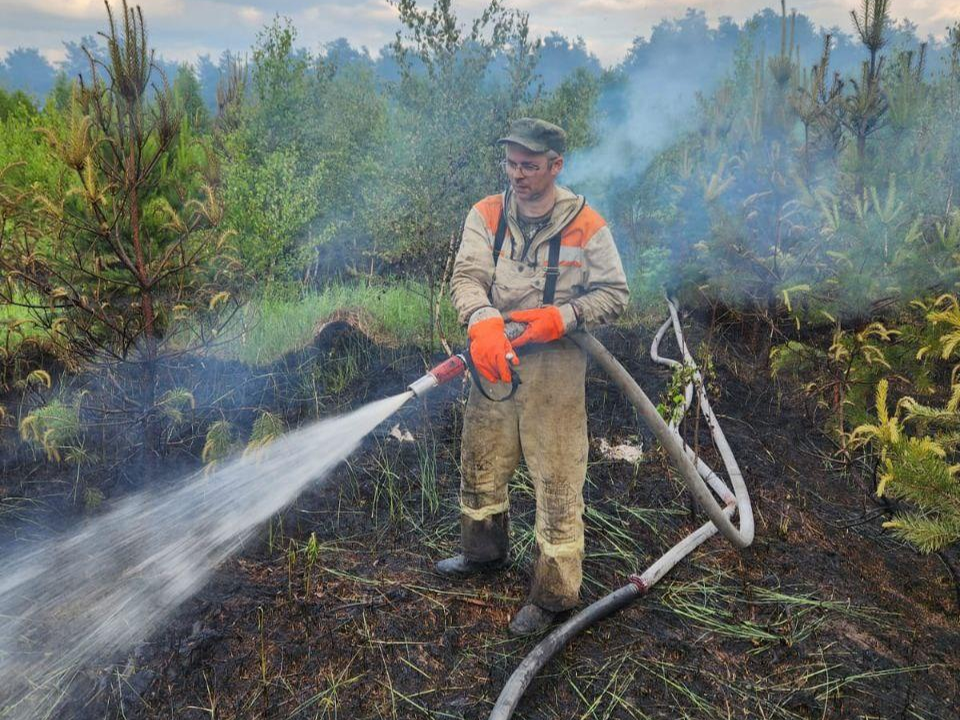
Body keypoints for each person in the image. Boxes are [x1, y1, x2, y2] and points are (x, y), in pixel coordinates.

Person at [438, 117, 630, 635]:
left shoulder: (586, 224)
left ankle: (553, 596)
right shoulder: (487, 214)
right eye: (511, 164)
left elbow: (615, 292)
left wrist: (561, 317)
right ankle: (482, 556)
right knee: (481, 462)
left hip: (557, 370)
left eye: (529, 166)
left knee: (558, 480)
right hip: (494, 359)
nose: (517, 175)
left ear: (555, 166)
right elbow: (468, 276)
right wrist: (482, 324)